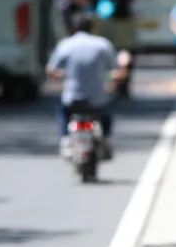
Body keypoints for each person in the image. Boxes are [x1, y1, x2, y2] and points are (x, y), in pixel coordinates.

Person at [46, 14, 124, 156]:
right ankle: (105, 139)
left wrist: (64, 75)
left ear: (74, 28)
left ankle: (65, 138)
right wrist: (113, 84)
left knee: (62, 112)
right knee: (106, 115)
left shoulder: (66, 44)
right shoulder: (102, 44)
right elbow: (116, 70)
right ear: (92, 28)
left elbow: (51, 70)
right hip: (97, 99)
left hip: (72, 99)